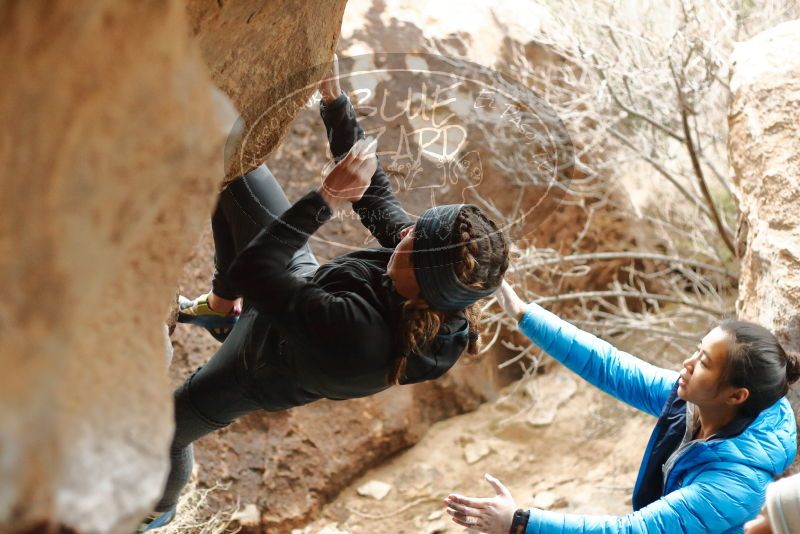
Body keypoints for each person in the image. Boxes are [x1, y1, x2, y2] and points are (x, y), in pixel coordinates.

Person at [137, 58, 510, 531]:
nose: (406, 232)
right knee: (235, 160)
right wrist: (334, 102)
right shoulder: (432, 285)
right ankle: (220, 309)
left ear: (424, 283)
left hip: (260, 362)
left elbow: (257, 270)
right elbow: (375, 198)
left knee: (167, 429)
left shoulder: (357, 336)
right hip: (304, 291)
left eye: (414, 241)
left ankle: (157, 510)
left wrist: (326, 201)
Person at [444, 280, 799, 534]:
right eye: (697, 349)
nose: (688, 363)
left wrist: (518, 522)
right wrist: (523, 313)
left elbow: (634, 530)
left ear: (736, 396)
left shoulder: (732, 485)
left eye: (704, 362)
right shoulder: (699, 404)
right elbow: (611, 367)